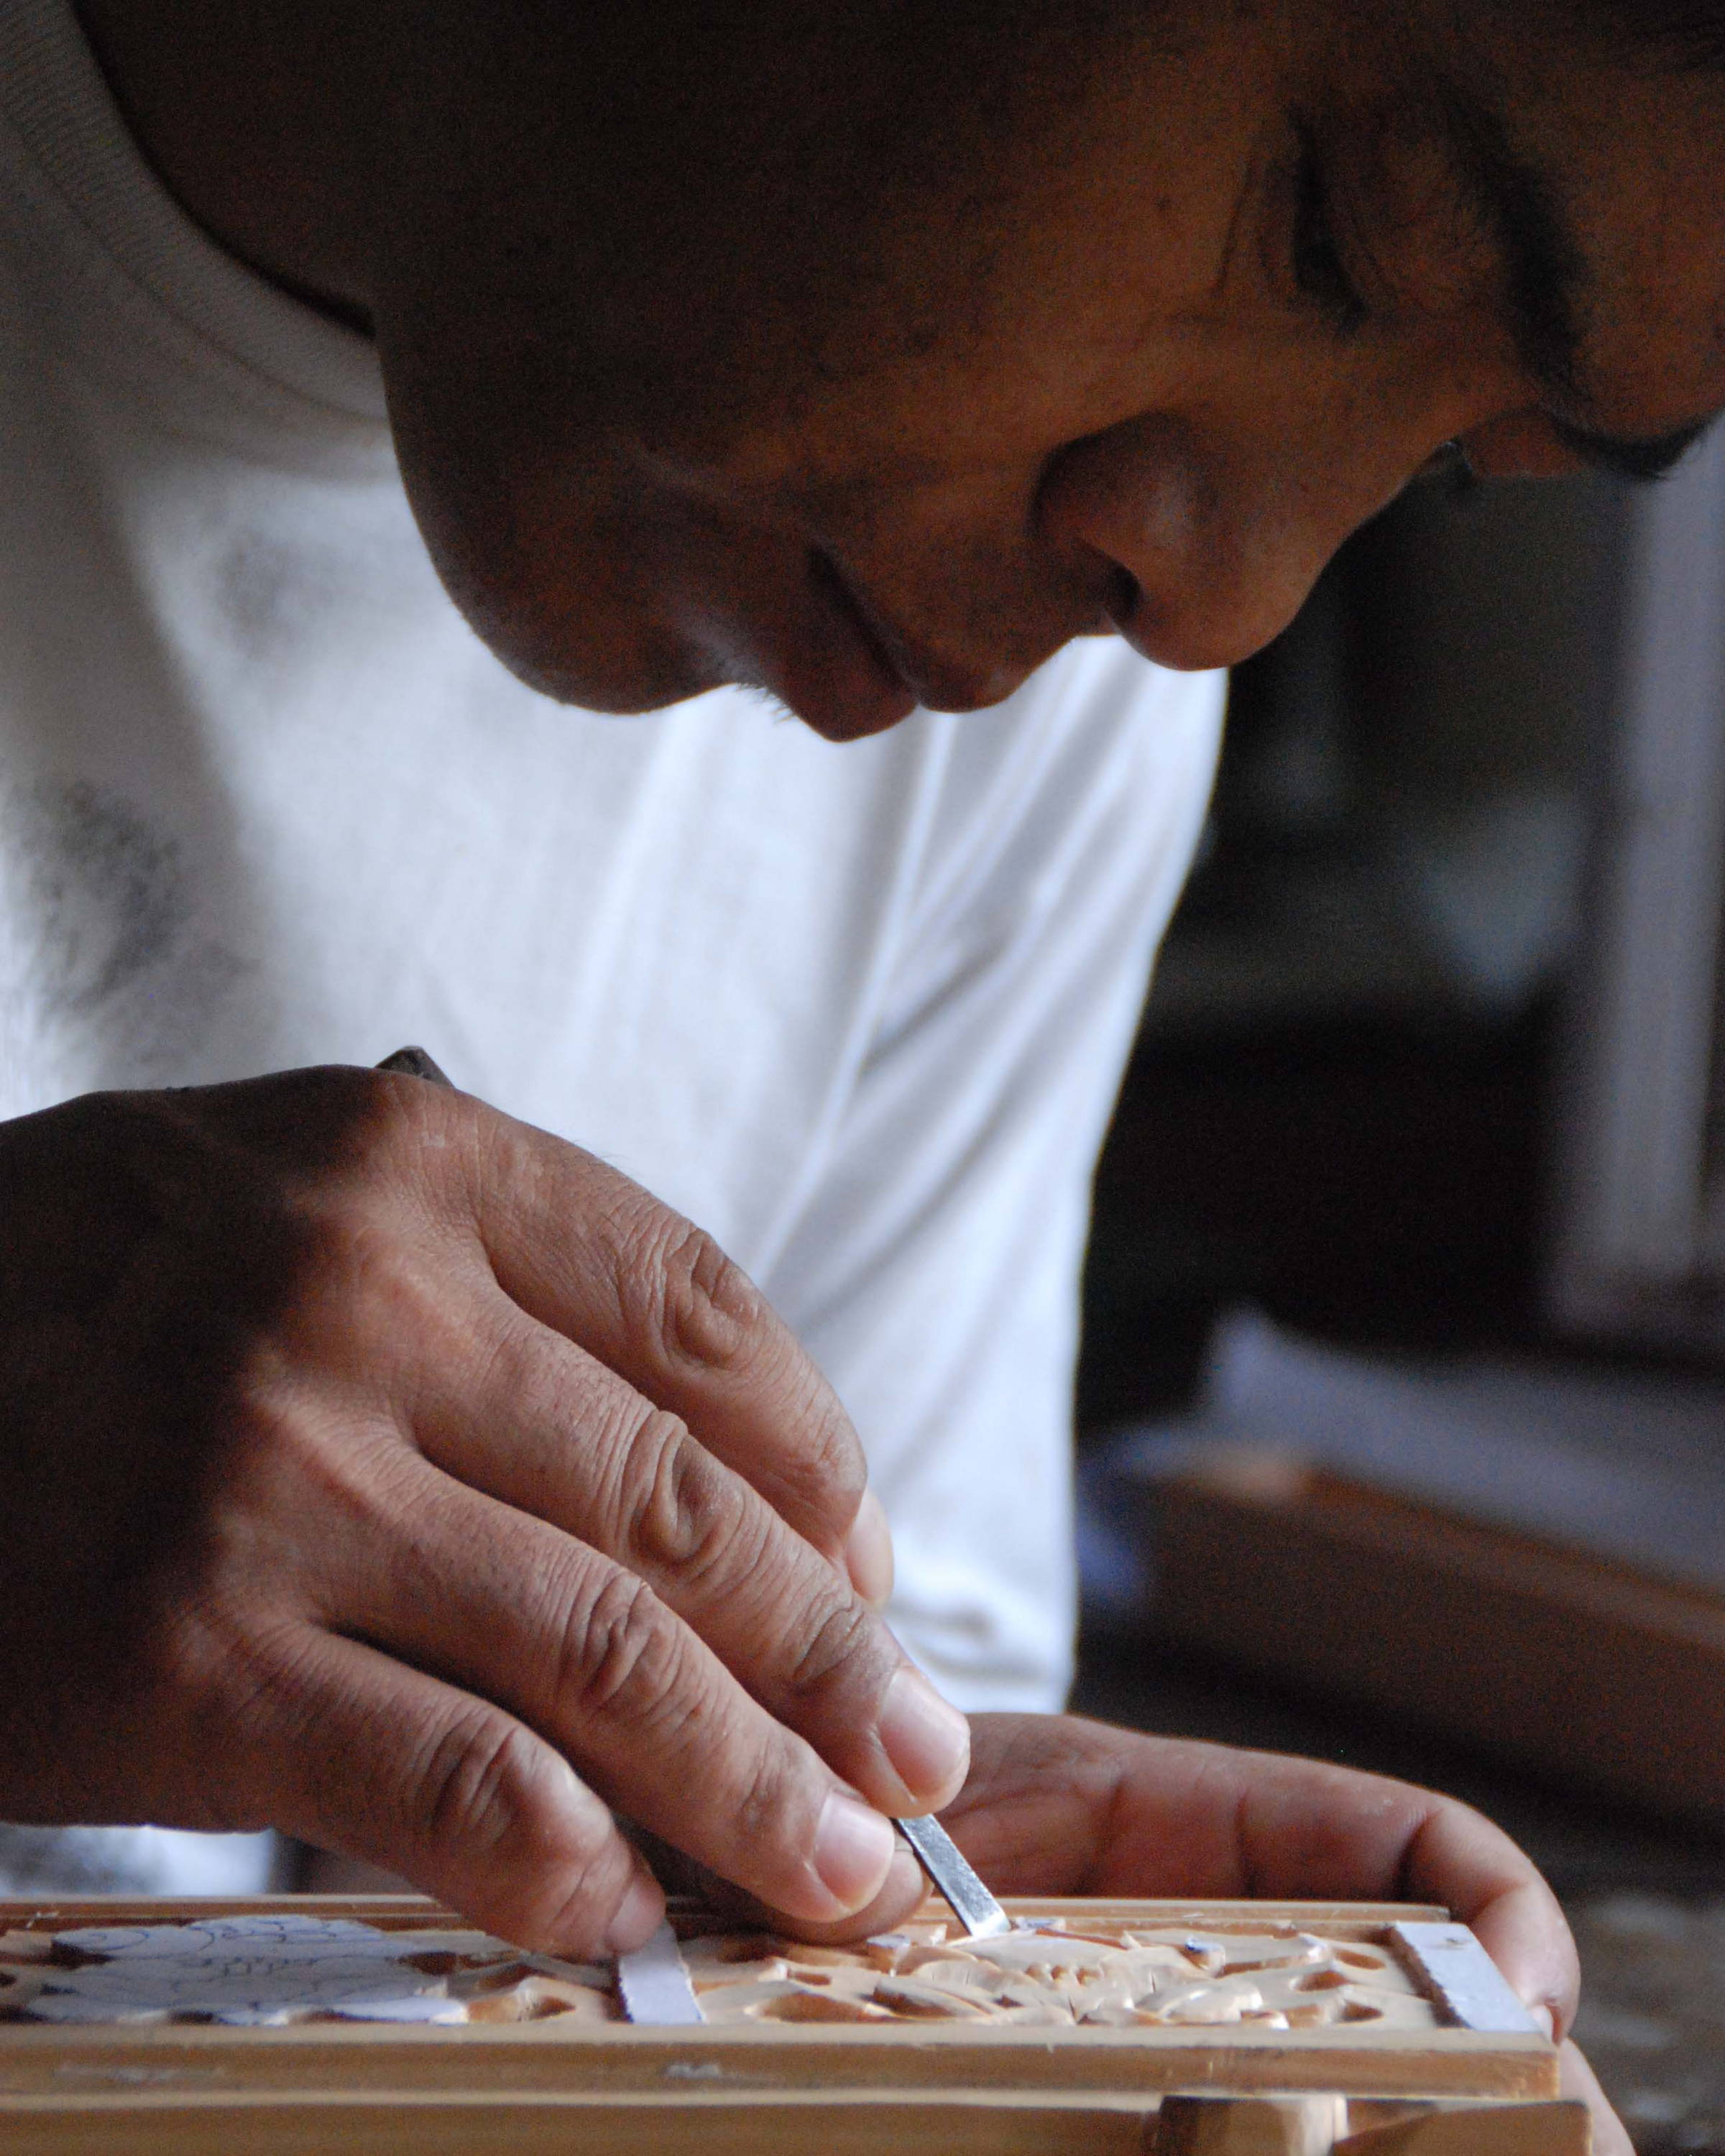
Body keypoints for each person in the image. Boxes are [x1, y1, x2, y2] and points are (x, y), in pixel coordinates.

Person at [7, 0, 1719, 2134]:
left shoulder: (1009, 698)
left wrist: (750, 1869)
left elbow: (690, 1798)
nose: (1225, 592)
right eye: (1340, 230)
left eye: (1454, 454)